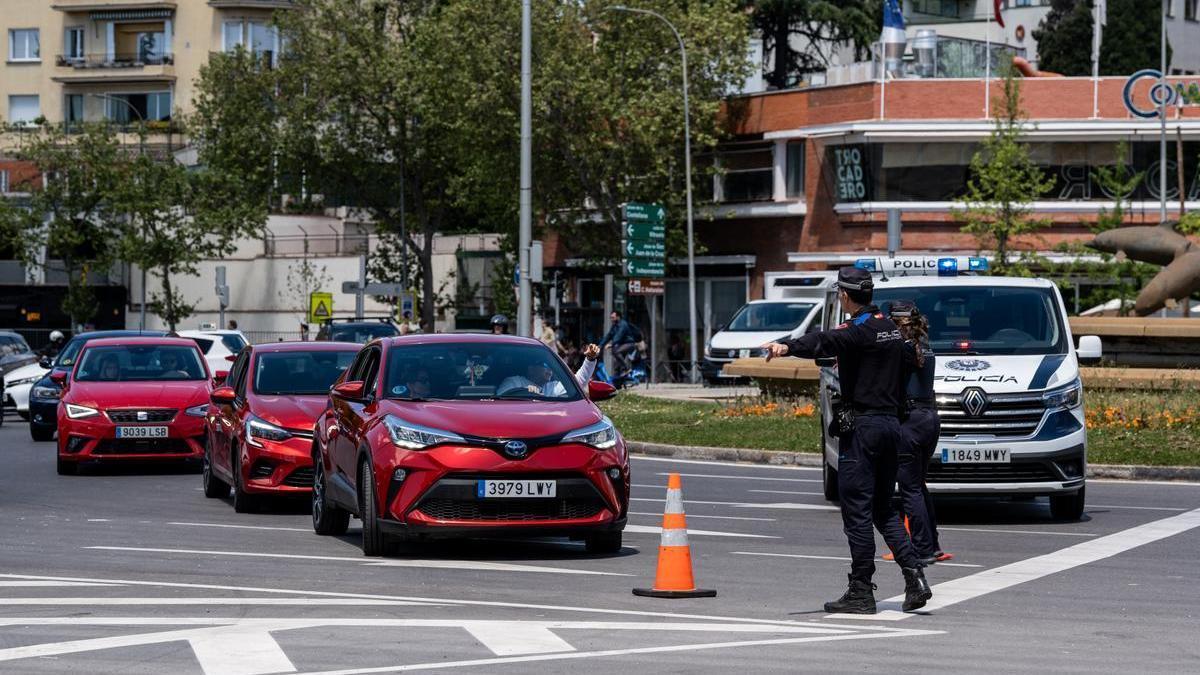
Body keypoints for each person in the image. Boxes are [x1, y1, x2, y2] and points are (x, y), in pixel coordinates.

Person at [762, 266, 931, 614]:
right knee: (884, 509)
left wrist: (785, 346)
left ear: (843, 295)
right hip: (892, 427)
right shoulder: (891, 329)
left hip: (865, 430)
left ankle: (860, 590)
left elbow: (822, 341)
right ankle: (915, 577)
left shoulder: (857, 331)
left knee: (857, 512)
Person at [891, 300, 947, 566]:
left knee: (910, 488)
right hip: (929, 418)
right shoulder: (925, 345)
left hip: (911, 420)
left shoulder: (902, 348)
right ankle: (932, 544)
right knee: (918, 485)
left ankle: (923, 548)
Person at [498, 344, 600, 397]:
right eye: (545, 365)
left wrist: (590, 359)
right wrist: (524, 393)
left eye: (550, 366)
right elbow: (500, 401)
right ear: (531, 369)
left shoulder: (552, 388)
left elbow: (578, 382)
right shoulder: (514, 381)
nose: (549, 370)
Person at [598, 311, 640, 376]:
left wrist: (611, 344)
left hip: (629, 344)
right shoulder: (614, 326)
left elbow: (619, 336)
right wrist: (600, 345)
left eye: (613, 317)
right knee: (616, 363)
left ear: (618, 317)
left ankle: (627, 368)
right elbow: (608, 336)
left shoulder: (623, 324)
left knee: (616, 351)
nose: (611, 319)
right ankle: (617, 378)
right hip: (622, 345)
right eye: (611, 318)